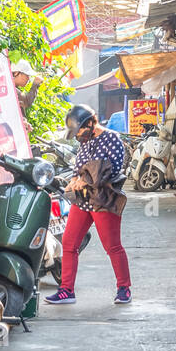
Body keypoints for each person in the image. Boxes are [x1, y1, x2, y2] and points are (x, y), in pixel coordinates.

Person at [45, 104, 133, 306]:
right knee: (69, 243)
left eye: (80, 131)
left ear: (91, 123)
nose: (77, 137)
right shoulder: (84, 142)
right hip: (83, 200)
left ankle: (124, 288)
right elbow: (79, 168)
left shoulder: (111, 138)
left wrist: (85, 178)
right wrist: (75, 180)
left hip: (103, 200)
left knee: (112, 246)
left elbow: (110, 169)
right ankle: (66, 290)